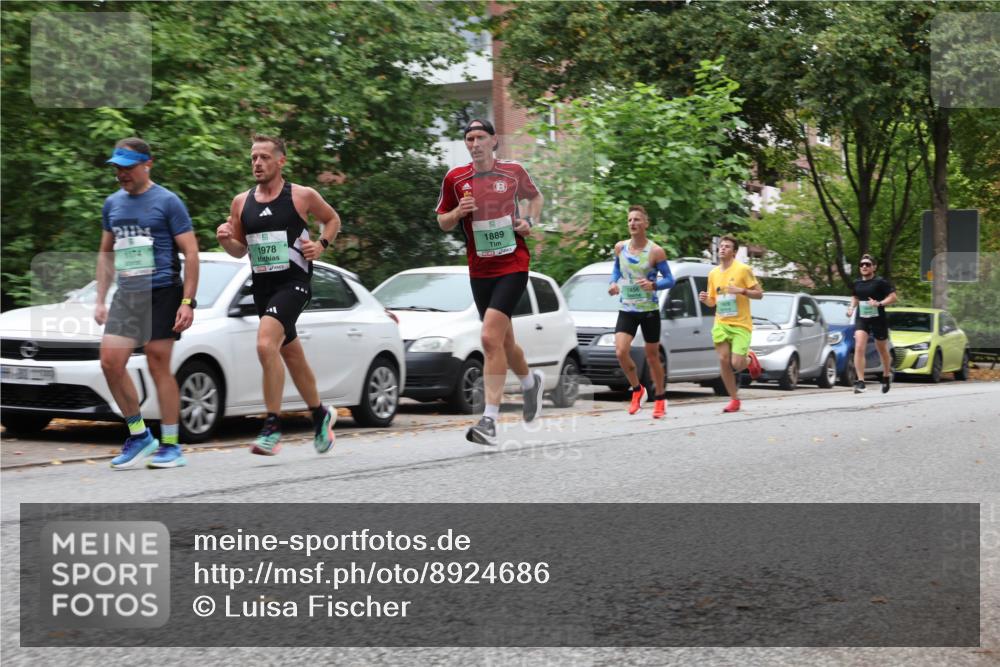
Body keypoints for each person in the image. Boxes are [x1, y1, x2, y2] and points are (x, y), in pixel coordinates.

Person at [216, 134, 340, 455]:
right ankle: (320, 415)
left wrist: (321, 245)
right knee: (292, 355)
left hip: (294, 284)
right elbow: (239, 250)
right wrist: (225, 239)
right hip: (264, 288)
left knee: (264, 343)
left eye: (264, 157)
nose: (257, 163)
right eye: (254, 158)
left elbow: (332, 219)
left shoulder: (301, 196)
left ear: (280, 161)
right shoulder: (241, 202)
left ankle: (272, 425)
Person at [435, 119, 545, 446]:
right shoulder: (456, 178)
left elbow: (535, 199)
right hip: (480, 269)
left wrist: (529, 222)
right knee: (504, 343)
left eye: (481, 137)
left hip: (513, 263)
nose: (475, 143)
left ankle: (489, 420)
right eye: (469, 138)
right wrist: (457, 212)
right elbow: (442, 221)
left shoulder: (512, 172)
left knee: (488, 337)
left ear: (494, 140)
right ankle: (530, 385)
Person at [96, 137, 199, 469]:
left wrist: (188, 301)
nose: (121, 174)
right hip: (128, 294)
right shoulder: (112, 204)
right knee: (110, 362)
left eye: (127, 167)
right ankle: (139, 436)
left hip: (163, 290)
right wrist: (100, 299)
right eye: (117, 168)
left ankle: (171, 444)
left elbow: (192, 253)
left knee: (157, 363)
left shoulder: (168, 202)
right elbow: (105, 253)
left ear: (147, 164)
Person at [607, 205, 674, 419]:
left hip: (648, 310)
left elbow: (670, 279)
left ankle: (661, 398)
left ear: (646, 224)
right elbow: (617, 269)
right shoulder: (620, 247)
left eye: (637, 220)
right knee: (620, 351)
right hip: (627, 308)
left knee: (652, 357)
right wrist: (612, 283)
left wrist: (654, 285)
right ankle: (637, 390)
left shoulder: (655, 251)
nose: (633, 223)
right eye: (630, 220)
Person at [698, 235, 763, 413]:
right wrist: (705, 300)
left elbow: (759, 294)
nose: (722, 249)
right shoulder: (713, 273)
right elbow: (713, 301)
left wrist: (741, 290)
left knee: (736, 363)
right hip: (721, 322)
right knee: (723, 360)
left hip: (741, 324)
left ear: (734, 252)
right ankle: (734, 399)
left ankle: (749, 360)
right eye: (721, 246)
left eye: (727, 246)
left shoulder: (743, 270)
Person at [846, 253, 897, 394]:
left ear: (873, 267)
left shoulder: (881, 282)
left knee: (882, 349)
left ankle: (886, 375)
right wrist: (851, 307)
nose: (864, 266)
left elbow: (893, 297)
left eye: (867, 264)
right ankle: (860, 382)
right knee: (859, 346)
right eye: (862, 264)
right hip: (862, 318)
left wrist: (879, 303)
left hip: (878, 319)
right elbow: (855, 296)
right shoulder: (857, 283)